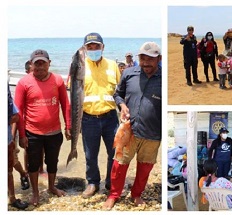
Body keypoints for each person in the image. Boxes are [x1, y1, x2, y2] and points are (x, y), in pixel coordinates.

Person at [102, 42, 161, 209]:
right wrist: (121, 105)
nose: (146, 62)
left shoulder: (164, 78)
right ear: (138, 58)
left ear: (159, 59)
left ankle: (137, 194)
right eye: (142, 58)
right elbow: (117, 94)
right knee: (119, 164)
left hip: (153, 134)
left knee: (145, 168)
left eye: (151, 59)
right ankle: (114, 194)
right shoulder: (128, 73)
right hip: (129, 131)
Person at [15, 49, 71, 206]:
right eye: (36, 64)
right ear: (31, 64)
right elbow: (18, 111)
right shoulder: (23, 83)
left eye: (43, 63)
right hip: (32, 132)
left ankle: (52, 187)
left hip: (54, 131)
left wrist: (68, 125)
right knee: (33, 164)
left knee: (52, 161)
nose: (40, 67)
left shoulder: (58, 80)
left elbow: (65, 104)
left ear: (49, 63)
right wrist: (22, 135)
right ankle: (35, 193)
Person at [80, 32, 121, 198]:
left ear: (103, 47)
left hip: (111, 117)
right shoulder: (79, 66)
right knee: (90, 154)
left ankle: (111, 182)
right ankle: (92, 183)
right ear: (85, 49)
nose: (93, 49)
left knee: (114, 152)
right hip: (88, 118)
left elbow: (120, 91)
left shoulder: (112, 65)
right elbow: (74, 95)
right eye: (89, 46)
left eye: (96, 46)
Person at [8, 86, 29, 210]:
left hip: (8, 137)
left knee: (10, 164)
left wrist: (13, 136)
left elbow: (16, 116)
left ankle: (12, 198)